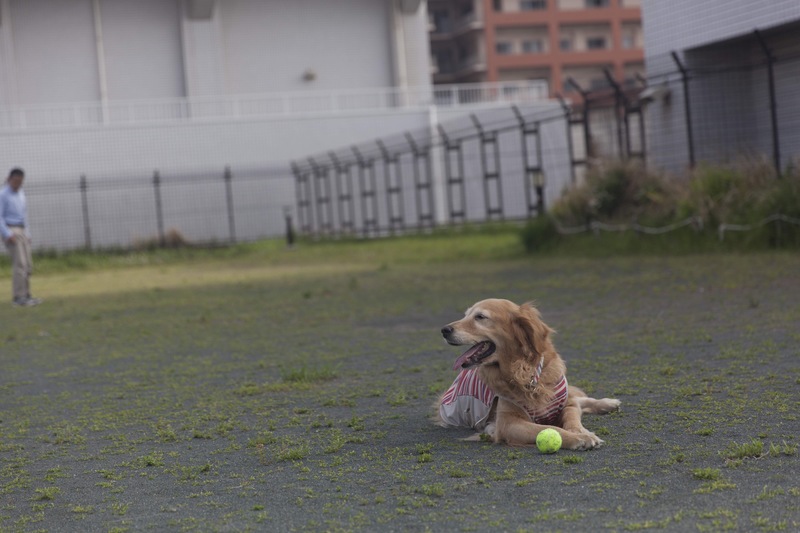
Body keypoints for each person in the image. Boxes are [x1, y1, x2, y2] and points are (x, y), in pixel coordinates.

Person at [0, 168, 42, 307]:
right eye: (16, 181)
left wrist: (28, 233)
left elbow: (24, 214)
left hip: (22, 229)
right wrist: (7, 234)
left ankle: (27, 294)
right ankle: (18, 297)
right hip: (11, 229)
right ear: (10, 179)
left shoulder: (21, 194)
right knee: (20, 264)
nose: (18, 184)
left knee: (28, 265)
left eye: (20, 181)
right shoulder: (3, 194)